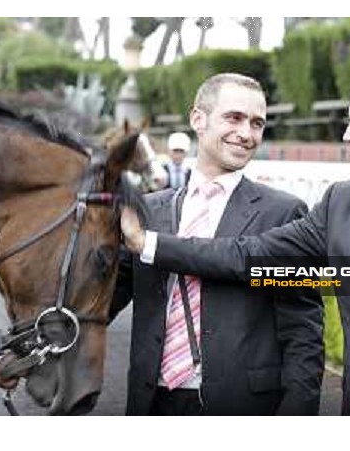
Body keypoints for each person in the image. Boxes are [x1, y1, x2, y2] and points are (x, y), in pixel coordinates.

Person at [121, 72, 350, 416]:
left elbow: (302, 328)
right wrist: (149, 243)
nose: (347, 135)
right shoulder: (340, 203)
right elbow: (251, 255)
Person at [111, 72, 324, 416]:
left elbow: (303, 331)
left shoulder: (285, 213)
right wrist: (33, 348)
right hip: (152, 400)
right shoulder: (147, 210)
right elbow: (101, 300)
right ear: (198, 119)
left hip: (244, 406)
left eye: (257, 123)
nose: (246, 133)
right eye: (234, 117)